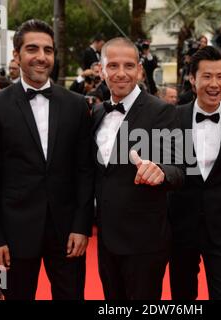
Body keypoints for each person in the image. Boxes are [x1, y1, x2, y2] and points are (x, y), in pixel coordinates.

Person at [0, 19, 94, 300]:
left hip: (67, 234)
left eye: (48, 50)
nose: (42, 57)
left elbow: (85, 170)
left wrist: (81, 226)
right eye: (32, 49)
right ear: (16, 56)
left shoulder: (77, 104)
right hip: (11, 236)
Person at [92, 37, 184, 300]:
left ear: (140, 70)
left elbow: (180, 169)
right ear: (101, 70)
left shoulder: (162, 111)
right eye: (113, 66)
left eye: (129, 66)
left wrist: (160, 172)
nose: (121, 73)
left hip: (145, 242)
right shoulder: (98, 113)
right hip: (106, 239)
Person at [168, 46, 221, 300]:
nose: (214, 84)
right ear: (192, 79)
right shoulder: (172, 118)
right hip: (180, 226)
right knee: (182, 296)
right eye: (207, 76)